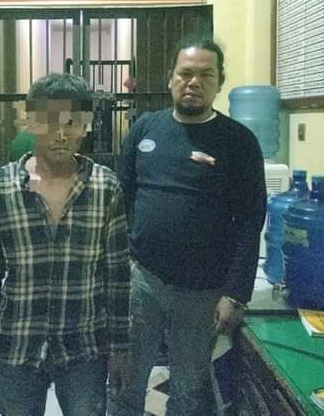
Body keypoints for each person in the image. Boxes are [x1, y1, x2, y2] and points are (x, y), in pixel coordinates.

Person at [111, 38, 267, 415]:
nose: (193, 82)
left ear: (219, 82)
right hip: (143, 281)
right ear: (171, 79)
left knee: (187, 391)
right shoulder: (145, 129)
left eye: (205, 75)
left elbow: (251, 220)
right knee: (125, 381)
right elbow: (120, 200)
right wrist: (120, 267)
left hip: (203, 291)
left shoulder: (239, 141)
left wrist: (236, 293)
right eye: (185, 73)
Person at [0, 73, 132, 416]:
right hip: (18, 343)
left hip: (85, 345)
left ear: (85, 126)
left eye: (72, 122)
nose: (61, 133)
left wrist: (119, 350)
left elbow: (117, 277)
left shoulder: (105, 187)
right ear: (31, 122)